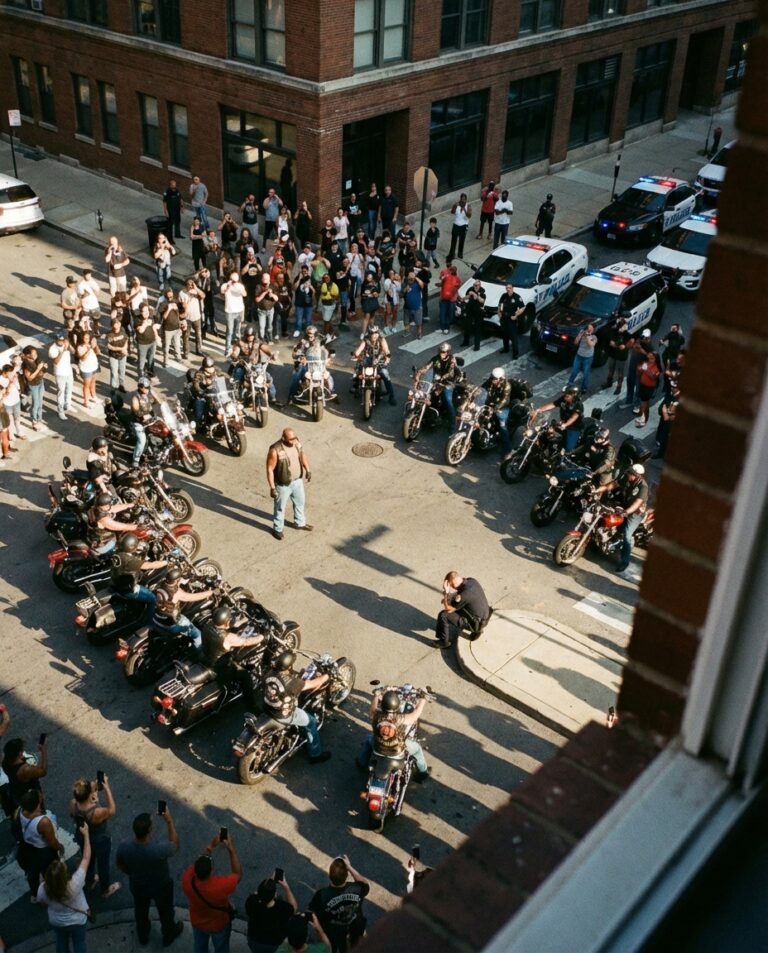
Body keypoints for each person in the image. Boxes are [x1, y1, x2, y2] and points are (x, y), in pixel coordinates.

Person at [116, 807, 184, 948]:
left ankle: (143, 936)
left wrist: (132, 873)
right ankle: (168, 934)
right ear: (149, 830)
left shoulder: (124, 846)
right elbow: (175, 845)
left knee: (140, 912)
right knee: (166, 912)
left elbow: (120, 864)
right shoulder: (159, 848)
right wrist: (169, 821)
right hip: (161, 886)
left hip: (138, 886)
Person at [262, 651, 331, 764]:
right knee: (311, 722)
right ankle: (315, 754)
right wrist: (325, 676)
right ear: (289, 666)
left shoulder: (269, 672)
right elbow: (312, 684)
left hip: (267, 707)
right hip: (283, 714)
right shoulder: (293, 683)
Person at [182, 830, 242, 953]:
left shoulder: (187, 879)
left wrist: (210, 846)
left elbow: (198, 862)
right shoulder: (219, 886)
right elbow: (238, 874)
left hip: (197, 921)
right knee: (221, 948)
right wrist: (231, 849)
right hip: (218, 925)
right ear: (211, 871)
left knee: (199, 946)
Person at [37, 824, 91, 953]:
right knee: (79, 942)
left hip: (57, 921)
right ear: (65, 875)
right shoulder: (74, 884)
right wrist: (86, 835)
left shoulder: (43, 889)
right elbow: (86, 858)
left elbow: (43, 903)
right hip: (77, 919)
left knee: (61, 942)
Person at [357, 689, 429, 782]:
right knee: (417, 749)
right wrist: (423, 699)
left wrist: (376, 695)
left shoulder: (376, 715)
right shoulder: (399, 718)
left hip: (378, 748)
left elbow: (372, 708)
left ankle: (361, 762)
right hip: (397, 753)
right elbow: (414, 716)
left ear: (382, 705)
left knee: (369, 739)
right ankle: (423, 773)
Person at [68, 775, 120, 899]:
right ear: (88, 795)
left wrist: (92, 796)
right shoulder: (96, 812)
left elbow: (73, 812)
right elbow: (112, 810)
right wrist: (106, 788)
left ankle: (90, 881)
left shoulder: (73, 804)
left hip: (83, 836)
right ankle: (105, 889)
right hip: (99, 840)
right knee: (103, 864)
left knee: (88, 860)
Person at [596, 464, 649, 575]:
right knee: (602, 514)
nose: (629, 475)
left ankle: (625, 561)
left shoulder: (643, 487)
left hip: (635, 513)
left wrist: (626, 512)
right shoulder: (626, 478)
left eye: (631, 474)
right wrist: (599, 490)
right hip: (623, 505)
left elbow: (637, 503)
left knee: (627, 534)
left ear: (637, 476)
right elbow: (613, 484)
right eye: (629, 472)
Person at [308, 859, 368, 953]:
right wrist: (349, 867)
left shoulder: (322, 895)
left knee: (332, 949)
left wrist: (319, 931)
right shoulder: (356, 888)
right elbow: (365, 883)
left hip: (333, 933)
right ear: (346, 875)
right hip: (354, 928)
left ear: (330, 876)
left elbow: (312, 914)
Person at [153, 567, 214, 654]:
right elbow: (191, 597)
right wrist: (209, 593)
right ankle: (200, 655)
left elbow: (177, 583)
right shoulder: (176, 593)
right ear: (176, 580)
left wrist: (186, 579)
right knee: (197, 634)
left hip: (157, 617)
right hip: (171, 624)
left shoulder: (162, 584)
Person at [266, 429, 313, 541]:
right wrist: (272, 487)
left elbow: (302, 456)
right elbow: (269, 469)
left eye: (295, 437)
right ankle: (277, 529)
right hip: (283, 485)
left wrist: (308, 469)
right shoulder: (275, 450)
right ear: (283, 438)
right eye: (291, 439)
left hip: (297, 481)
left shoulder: (297, 444)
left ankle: (300, 523)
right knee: (280, 508)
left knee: (300, 502)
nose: (294, 440)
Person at [16, 787, 63, 897]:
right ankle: (53, 892)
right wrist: (60, 847)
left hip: (27, 846)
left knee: (33, 873)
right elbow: (52, 842)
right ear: (37, 803)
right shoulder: (43, 822)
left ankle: (35, 895)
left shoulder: (20, 810)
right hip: (43, 851)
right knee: (51, 872)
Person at [435, 571, 491, 648]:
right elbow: (460, 593)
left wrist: (446, 593)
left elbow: (448, 608)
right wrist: (450, 598)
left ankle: (444, 642)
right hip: (485, 614)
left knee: (443, 615)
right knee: (459, 604)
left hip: (476, 624)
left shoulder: (464, 596)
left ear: (453, 585)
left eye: (450, 586)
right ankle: (477, 632)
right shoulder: (471, 580)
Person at [245, 874, 297, 953]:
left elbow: (257, 893)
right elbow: (294, 907)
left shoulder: (252, 902)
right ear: (274, 895)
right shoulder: (282, 908)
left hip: (254, 941)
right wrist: (286, 887)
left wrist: (269, 883)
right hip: (274, 945)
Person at [3, 735, 48, 814]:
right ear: (19, 754)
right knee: (36, 812)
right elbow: (43, 771)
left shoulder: (5, 762)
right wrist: (44, 750)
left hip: (17, 793)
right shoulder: (25, 770)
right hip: (31, 797)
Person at [531, 384, 584, 451]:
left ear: (574, 396)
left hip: (574, 428)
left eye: (568, 394)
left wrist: (565, 424)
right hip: (563, 423)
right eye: (566, 393)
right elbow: (553, 404)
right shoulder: (564, 399)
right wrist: (540, 410)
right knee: (545, 434)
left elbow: (573, 417)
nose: (565, 395)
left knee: (568, 448)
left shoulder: (578, 405)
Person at [351, 327, 395, 405]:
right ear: (369, 334)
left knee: (385, 375)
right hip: (367, 360)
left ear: (378, 333)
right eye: (372, 333)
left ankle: (392, 396)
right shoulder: (366, 340)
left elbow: (386, 350)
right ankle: (356, 385)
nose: (374, 335)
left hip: (379, 360)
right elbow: (360, 349)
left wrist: (387, 357)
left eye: (376, 333)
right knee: (358, 370)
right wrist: (356, 355)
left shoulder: (381, 340)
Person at [481, 367, 513, 452]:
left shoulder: (506, 386)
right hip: (490, 403)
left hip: (502, 407)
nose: (493, 380)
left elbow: (505, 399)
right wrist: (476, 391)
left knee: (502, 424)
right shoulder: (491, 380)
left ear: (501, 379)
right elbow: (483, 387)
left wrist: (496, 408)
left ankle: (507, 450)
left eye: (495, 378)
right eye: (492, 377)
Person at [130, 377, 155, 467]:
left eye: (148, 387)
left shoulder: (149, 394)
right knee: (142, 440)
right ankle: (136, 459)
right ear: (141, 387)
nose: (148, 389)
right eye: (146, 387)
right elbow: (136, 410)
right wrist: (143, 416)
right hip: (138, 422)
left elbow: (157, 401)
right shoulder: (135, 397)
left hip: (149, 420)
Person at [600, 318, 630, 394]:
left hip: (621, 354)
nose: (621, 322)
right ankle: (609, 382)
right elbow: (609, 335)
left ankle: (619, 386)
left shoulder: (628, 331)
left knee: (620, 371)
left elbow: (630, 341)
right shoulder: (615, 328)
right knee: (611, 369)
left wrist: (624, 346)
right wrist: (611, 341)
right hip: (613, 352)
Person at [21, 345, 47, 431]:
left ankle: (39, 419)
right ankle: (34, 420)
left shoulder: (36, 359)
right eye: (33, 353)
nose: (36, 355)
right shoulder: (26, 364)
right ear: (27, 355)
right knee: (35, 404)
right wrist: (38, 369)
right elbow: (29, 378)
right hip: (33, 385)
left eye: (36, 353)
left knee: (40, 402)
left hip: (40, 382)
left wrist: (44, 368)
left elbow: (41, 371)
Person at [221, 271, 247, 354]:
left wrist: (239, 289)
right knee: (229, 331)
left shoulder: (240, 286)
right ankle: (227, 349)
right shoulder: (225, 285)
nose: (234, 283)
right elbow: (222, 293)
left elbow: (245, 294)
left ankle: (237, 349)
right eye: (232, 280)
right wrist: (228, 287)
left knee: (237, 331)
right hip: (230, 311)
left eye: (235, 281)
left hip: (239, 311)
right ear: (229, 279)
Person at [567, 324, 598, 394]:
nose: (588, 328)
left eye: (590, 327)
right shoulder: (582, 334)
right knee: (574, 371)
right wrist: (580, 335)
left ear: (593, 330)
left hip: (588, 358)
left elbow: (591, 345)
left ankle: (584, 388)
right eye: (588, 327)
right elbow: (575, 342)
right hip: (579, 356)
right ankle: (569, 384)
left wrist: (587, 336)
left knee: (585, 373)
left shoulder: (594, 337)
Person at [497, 283, 524, 357]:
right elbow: (500, 305)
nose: (508, 289)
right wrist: (499, 312)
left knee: (513, 337)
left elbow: (522, 308)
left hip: (511, 319)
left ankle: (515, 353)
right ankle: (506, 349)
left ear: (512, 288)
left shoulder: (517, 297)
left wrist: (516, 315)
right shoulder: (504, 296)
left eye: (509, 288)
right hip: (504, 318)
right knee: (505, 335)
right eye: (507, 288)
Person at [635, 350, 661, 427]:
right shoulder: (646, 363)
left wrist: (646, 369)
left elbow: (653, 377)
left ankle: (644, 419)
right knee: (644, 402)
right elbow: (638, 373)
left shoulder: (657, 367)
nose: (649, 356)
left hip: (649, 387)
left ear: (655, 358)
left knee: (644, 403)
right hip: (642, 384)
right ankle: (642, 414)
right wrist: (639, 369)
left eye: (651, 356)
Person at [654, 382, 680, 459]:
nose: (672, 388)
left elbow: (669, 417)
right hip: (666, 424)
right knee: (664, 439)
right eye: (672, 387)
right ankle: (660, 453)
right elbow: (664, 404)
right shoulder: (671, 394)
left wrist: (665, 411)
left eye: (674, 387)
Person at [134, 305, 159, 380]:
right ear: (140, 312)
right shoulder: (137, 319)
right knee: (141, 361)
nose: (146, 313)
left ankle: (150, 371)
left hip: (152, 342)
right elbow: (140, 331)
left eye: (147, 311)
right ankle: (140, 376)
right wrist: (145, 324)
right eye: (144, 311)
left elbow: (154, 327)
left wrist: (157, 336)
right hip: (142, 344)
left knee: (151, 358)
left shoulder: (151, 317)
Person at [460, 278, 486, 350]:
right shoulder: (471, 289)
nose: (475, 286)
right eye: (474, 285)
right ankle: (466, 342)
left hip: (478, 312)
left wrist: (475, 294)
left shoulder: (482, 292)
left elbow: (482, 301)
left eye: (477, 285)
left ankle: (476, 346)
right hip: (470, 310)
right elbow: (468, 296)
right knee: (467, 326)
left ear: (480, 285)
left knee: (477, 329)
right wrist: (463, 298)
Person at [105, 317, 128, 393]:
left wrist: (125, 348)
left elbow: (126, 340)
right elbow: (109, 346)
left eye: (118, 323)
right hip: (113, 356)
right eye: (114, 323)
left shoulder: (123, 331)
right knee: (114, 373)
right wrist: (121, 349)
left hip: (122, 356)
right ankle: (113, 388)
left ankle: (121, 385)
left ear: (120, 324)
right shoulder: (109, 334)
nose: (116, 325)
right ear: (112, 325)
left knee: (122, 371)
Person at [437, 261, 460, 334]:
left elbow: (441, 284)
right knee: (448, 314)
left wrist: (439, 285)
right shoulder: (457, 279)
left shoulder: (446, 277)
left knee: (442, 313)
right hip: (451, 299)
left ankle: (442, 328)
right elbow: (456, 288)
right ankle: (446, 328)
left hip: (444, 298)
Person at [448, 194, 472, 259]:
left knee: (462, 240)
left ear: (466, 199)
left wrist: (464, 208)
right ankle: (451, 254)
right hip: (456, 224)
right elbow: (452, 212)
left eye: (464, 199)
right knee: (453, 241)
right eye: (462, 199)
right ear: (460, 199)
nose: (463, 200)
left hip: (464, 225)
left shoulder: (468, 206)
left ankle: (460, 253)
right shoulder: (457, 205)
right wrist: (454, 206)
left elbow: (469, 216)